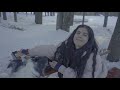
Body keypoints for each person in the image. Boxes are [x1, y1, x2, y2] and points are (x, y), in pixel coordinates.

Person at [27, 25, 108, 78]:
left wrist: (61, 68)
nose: (80, 35)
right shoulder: (66, 46)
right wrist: (28, 51)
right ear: (73, 35)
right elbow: (49, 50)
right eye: (78, 32)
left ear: (89, 40)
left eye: (84, 34)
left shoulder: (92, 58)